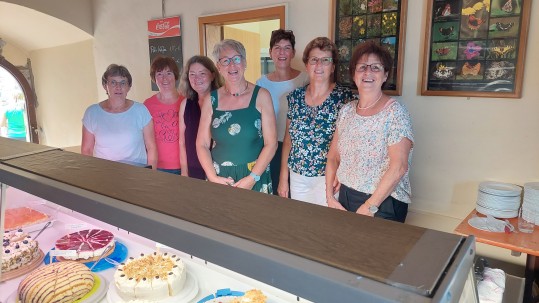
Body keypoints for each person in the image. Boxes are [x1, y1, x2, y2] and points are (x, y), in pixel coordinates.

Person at [325, 41, 414, 223]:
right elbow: (333, 157)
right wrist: (329, 196)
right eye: (362, 67)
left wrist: (370, 206)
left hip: (383, 202)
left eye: (375, 67)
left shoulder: (395, 112)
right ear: (354, 74)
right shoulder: (347, 111)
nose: (368, 72)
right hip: (345, 196)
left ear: (385, 75)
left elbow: (399, 167)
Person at [278, 37, 355, 206]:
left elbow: (350, 144)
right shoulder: (295, 97)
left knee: (327, 226)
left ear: (333, 66)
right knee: (302, 223)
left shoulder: (345, 98)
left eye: (325, 60)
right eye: (314, 60)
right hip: (297, 175)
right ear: (307, 65)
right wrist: (284, 177)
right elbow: (288, 141)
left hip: (329, 178)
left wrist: (342, 174)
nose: (319, 65)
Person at [196, 39, 277, 193]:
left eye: (237, 59)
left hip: (254, 175)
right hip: (219, 177)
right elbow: (202, 144)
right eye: (225, 61)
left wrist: (253, 178)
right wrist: (212, 177)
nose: (232, 65)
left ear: (245, 62)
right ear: (219, 67)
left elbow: (271, 143)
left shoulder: (261, 96)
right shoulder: (211, 100)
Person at [256, 29, 308, 195]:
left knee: (297, 194)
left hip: (298, 146)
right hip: (271, 146)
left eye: (286, 48)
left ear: (293, 52)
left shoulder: (305, 79)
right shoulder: (261, 82)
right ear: (271, 52)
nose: (282, 52)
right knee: (275, 192)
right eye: (277, 47)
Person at [82, 64, 157, 169]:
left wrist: (151, 176)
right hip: (104, 174)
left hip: (137, 175)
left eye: (123, 83)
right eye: (113, 82)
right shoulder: (92, 113)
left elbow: (151, 147)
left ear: (129, 87)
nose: (118, 87)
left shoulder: (141, 110)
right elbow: (87, 150)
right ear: (105, 85)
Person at [178, 56, 223, 179]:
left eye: (202, 73)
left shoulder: (224, 102)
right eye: (192, 74)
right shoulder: (185, 104)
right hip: (194, 168)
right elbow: (182, 142)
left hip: (219, 168)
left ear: (213, 75)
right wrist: (184, 171)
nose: (197, 78)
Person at [144, 56, 184, 174]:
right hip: (158, 167)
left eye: (169, 73)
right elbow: (145, 139)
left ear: (175, 76)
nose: (164, 78)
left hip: (184, 166)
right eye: (159, 74)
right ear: (154, 78)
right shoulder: (147, 105)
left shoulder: (186, 102)